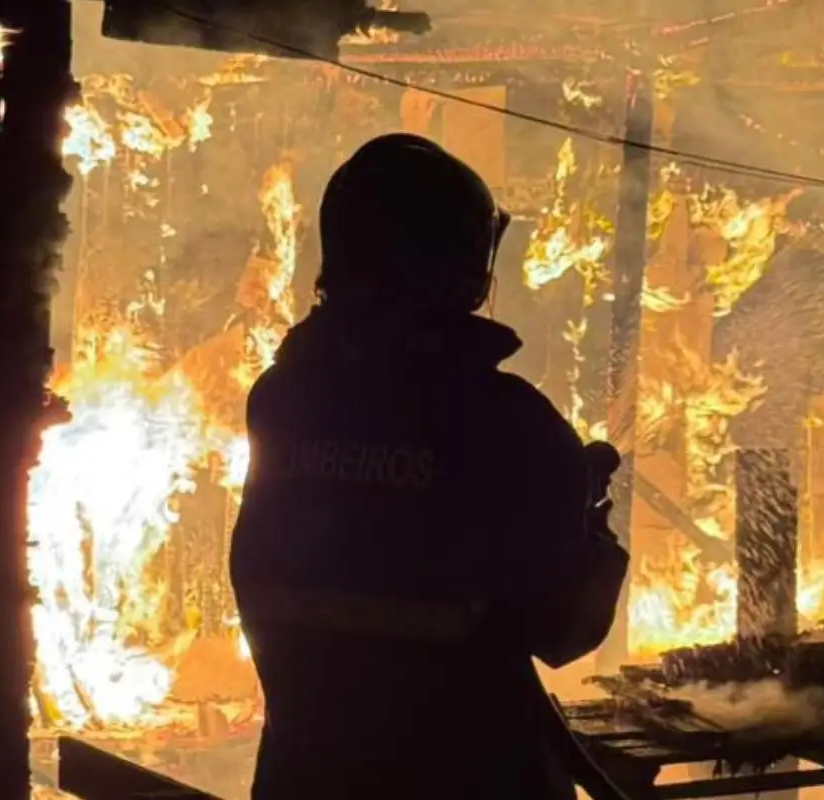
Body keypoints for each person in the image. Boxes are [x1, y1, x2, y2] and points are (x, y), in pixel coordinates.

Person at [230, 133, 630, 800]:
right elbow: (563, 630)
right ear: (462, 264)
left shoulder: (281, 401)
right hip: (469, 775)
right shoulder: (509, 423)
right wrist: (587, 530)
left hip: (308, 773)